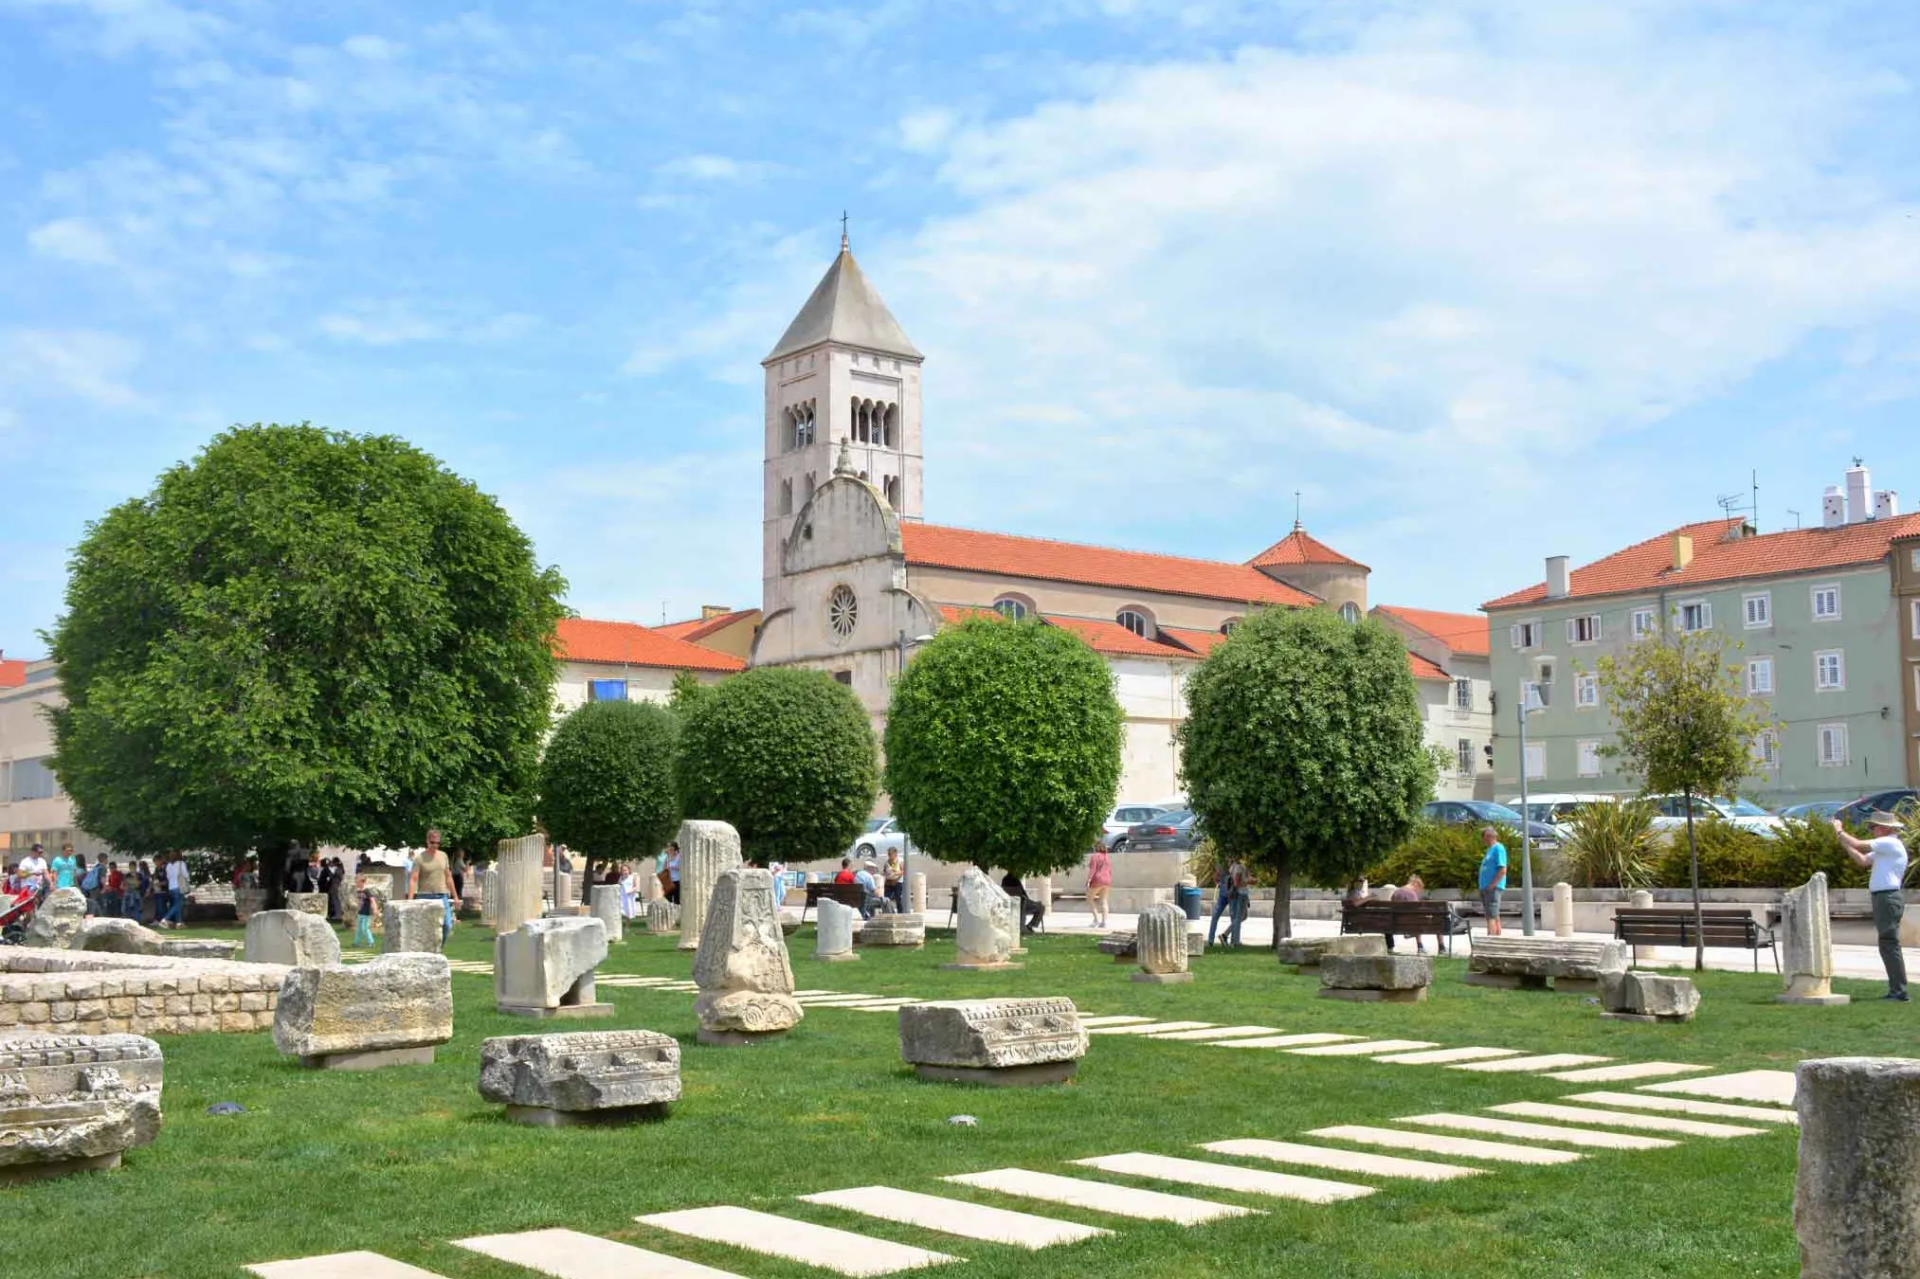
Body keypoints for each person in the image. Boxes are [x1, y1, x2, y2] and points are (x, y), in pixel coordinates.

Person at [1836, 812, 1910, 1002]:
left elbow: (1859, 844)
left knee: (1889, 944)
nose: (1872, 830)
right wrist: (1842, 839)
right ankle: (1897, 990)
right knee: (1887, 944)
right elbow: (1862, 860)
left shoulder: (1890, 843)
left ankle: (1899, 992)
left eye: (1874, 827)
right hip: (1882, 898)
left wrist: (1839, 829)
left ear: (1885, 828)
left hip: (1888, 897)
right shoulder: (1884, 847)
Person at [410, 828, 456, 943]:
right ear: (427, 842)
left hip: (442, 896)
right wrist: (410, 900)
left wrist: (455, 896)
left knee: (447, 926)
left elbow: (448, 877)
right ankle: (427, 952)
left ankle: (438, 951)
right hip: (424, 896)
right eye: (432, 842)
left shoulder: (443, 856)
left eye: (437, 843)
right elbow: (413, 879)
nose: (435, 845)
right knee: (425, 929)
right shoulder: (419, 858)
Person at [1209, 854, 1251, 946]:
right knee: (1236, 917)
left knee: (1216, 916)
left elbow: (1216, 877)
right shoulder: (1235, 865)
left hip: (1224, 891)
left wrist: (1220, 883)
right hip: (1233, 893)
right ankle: (1233, 941)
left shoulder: (1221, 861)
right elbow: (1236, 880)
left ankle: (1211, 940)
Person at [1478, 826, 1508, 936]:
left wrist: (1492, 885)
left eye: (1484, 837)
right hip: (1486, 887)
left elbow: (1502, 869)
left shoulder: (1498, 848)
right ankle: (1496, 936)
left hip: (1493, 888)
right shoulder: (1490, 850)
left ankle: (1491, 938)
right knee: (1493, 914)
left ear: (1490, 836)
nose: (1483, 840)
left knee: (1491, 915)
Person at [1389, 874, 1427, 954]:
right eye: (1418, 889)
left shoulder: (1396, 892)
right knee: (1436, 920)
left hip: (1396, 923)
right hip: (1411, 924)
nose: (1417, 892)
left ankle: (1390, 947)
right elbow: (1417, 911)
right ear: (1415, 884)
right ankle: (1421, 946)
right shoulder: (1411, 893)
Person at [1086, 843, 1113, 928]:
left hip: (1097, 880)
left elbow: (1093, 869)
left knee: (1089, 899)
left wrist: (1089, 880)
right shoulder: (1107, 857)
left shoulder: (1095, 856)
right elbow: (1109, 870)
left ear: (1096, 848)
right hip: (1107, 880)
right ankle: (1104, 922)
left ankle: (1096, 920)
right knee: (1104, 901)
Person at [163, 852, 190, 928]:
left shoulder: (168, 865)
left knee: (176, 904)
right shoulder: (181, 863)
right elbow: (185, 875)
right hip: (179, 886)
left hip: (171, 887)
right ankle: (165, 919)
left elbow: (168, 877)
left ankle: (179, 923)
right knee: (178, 905)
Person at [353, 877, 376, 948]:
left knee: (365, 928)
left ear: (362, 882)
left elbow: (372, 900)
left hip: (366, 912)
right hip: (360, 912)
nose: (356, 884)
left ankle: (371, 942)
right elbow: (359, 902)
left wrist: (375, 908)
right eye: (356, 882)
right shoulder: (358, 891)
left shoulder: (367, 891)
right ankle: (356, 942)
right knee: (359, 928)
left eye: (358, 882)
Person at [883, 847, 905, 914]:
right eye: (888, 854)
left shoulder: (900, 860)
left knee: (898, 898)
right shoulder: (887, 861)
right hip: (888, 882)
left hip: (898, 882)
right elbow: (884, 871)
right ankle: (887, 912)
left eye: (890, 854)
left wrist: (895, 875)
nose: (889, 855)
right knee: (886, 898)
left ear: (895, 854)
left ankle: (900, 912)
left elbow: (903, 871)